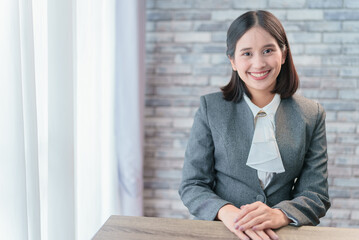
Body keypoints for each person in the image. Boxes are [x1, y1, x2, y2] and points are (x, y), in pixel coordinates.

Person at [178, 10, 330, 240]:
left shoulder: (312, 114)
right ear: (233, 61)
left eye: (268, 50)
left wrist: (280, 215)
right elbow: (192, 184)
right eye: (247, 53)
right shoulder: (211, 109)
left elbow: (315, 194)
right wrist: (228, 213)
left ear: (283, 54)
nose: (258, 63)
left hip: (280, 235)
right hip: (221, 231)